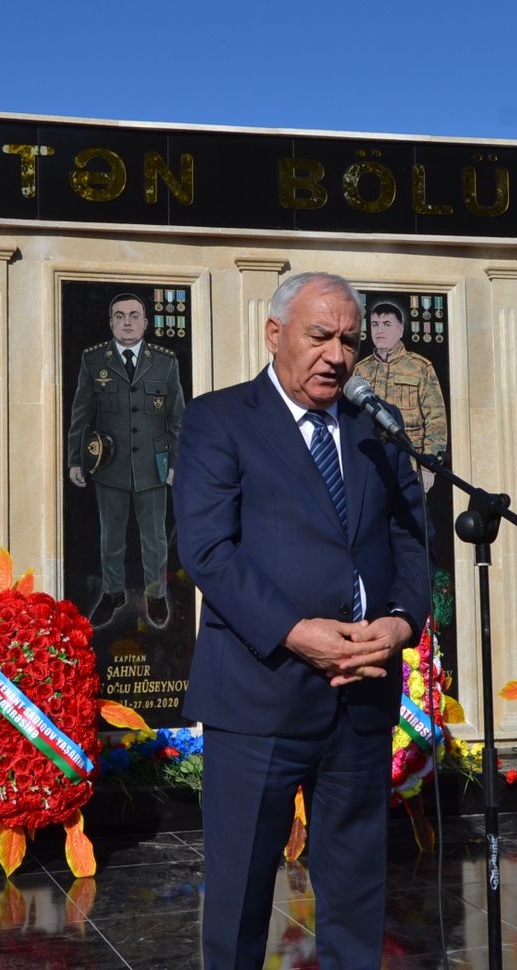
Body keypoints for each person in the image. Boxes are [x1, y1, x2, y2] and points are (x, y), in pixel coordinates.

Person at [174, 271, 428, 968]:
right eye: (321, 337)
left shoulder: (377, 425)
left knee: (355, 892)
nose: (337, 356)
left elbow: (411, 537)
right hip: (260, 693)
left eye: (349, 340)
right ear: (276, 334)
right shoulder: (219, 419)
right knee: (241, 896)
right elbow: (208, 550)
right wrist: (295, 631)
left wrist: (403, 621)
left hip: (363, 692)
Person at [66, 292, 185, 628]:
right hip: (109, 464)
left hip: (154, 465)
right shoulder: (93, 361)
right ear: (111, 322)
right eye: (120, 316)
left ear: (146, 323)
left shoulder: (165, 362)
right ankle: (112, 592)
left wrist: (177, 464)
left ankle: (156, 594)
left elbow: (178, 420)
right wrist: (76, 459)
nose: (128, 322)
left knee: (154, 537)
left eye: (135, 316)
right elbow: (81, 413)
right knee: (111, 536)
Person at [354, 301, 447, 491]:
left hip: (410, 466)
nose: (379, 330)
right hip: (369, 466)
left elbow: (436, 419)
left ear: (400, 329)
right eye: (375, 324)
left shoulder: (420, 367)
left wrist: (429, 467)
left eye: (387, 324)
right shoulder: (360, 370)